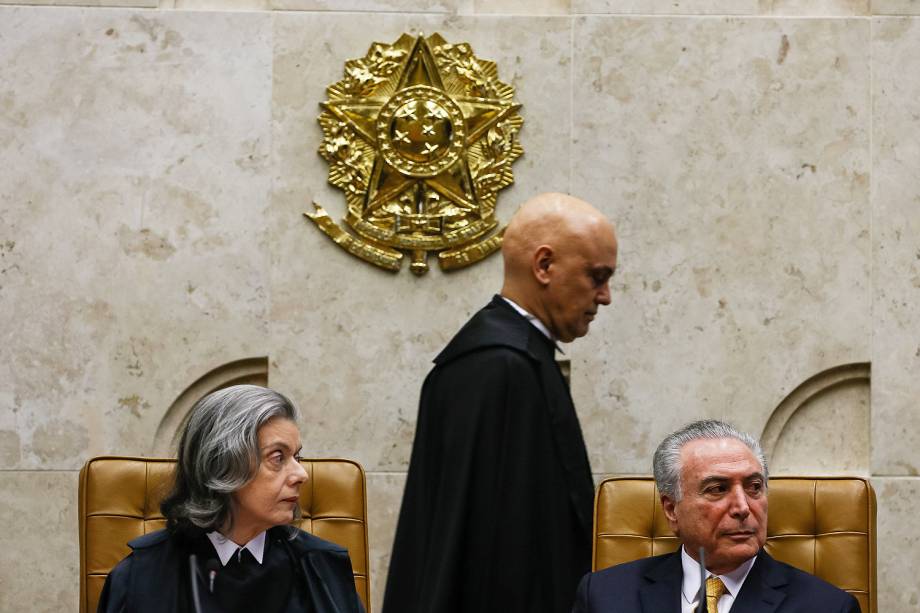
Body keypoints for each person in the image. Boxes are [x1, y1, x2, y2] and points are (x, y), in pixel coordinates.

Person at [383, 193, 619, 613]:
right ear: (544, 266)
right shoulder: (499, 367)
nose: (605, 296)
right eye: (596, 276)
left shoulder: (507, 358)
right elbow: (492, 550)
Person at [97, 385, 365, 613]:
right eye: (278, 457)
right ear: (222, 464)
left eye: (298, 457)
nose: (301, 474)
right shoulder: (139, 577)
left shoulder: (323, 568)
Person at [571, 420, 860, 613]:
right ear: (672, 509)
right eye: (718, 489)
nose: (743, 507)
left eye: (754, 487)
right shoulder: (604, 596)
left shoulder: (829, 607)